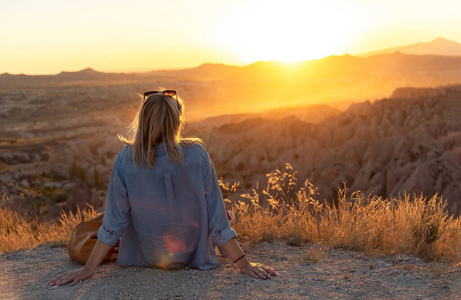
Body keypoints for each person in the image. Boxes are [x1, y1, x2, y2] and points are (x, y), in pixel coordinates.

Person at [49, 90, 278, 286]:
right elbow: (217, 220)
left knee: (109, 214)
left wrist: (87, 270)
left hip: (149, 256)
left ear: (143, 121)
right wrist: (244, 264)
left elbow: (114, 224)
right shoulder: (196, 154)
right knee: (228, 215)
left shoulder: (126, 158)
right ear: (177, 121)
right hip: (192, 256)